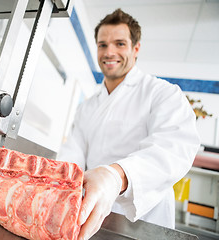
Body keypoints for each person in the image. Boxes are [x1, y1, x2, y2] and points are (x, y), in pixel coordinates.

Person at [57, 8, 200, 240]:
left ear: (136, 48)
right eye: (102, 45)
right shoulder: (88, 106)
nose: (109, 52)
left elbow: (173, 149)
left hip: (142, 226)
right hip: (86, 218)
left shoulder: (163, 93)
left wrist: (116, 177)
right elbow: (73, 153)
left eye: (119, 44)